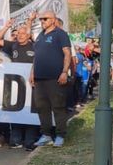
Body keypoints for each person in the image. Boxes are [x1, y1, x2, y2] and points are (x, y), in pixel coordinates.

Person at [29, 10, 72, 148]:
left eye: (45, 19)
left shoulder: (60, 34)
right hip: (40, 78)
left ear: (53, 20)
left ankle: (60, 135)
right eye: (41, 19)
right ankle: (46, 134)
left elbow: (67, 53)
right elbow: (37, 56)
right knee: (42, 107)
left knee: (58, 106)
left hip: (55, 77)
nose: (42, 21)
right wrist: (32, 72)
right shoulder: (40, 36)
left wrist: (64, 72)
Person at [7, 19, 40, 149]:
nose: (20, 35)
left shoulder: (35, 47)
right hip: (16, 86)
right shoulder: (12, 46)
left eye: (23, 33)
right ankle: (16, 139)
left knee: (31, 111)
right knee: (16, 111)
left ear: (29, 35)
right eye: (18, 33)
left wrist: (30, 22)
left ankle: (30, 140)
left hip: (32, 85)